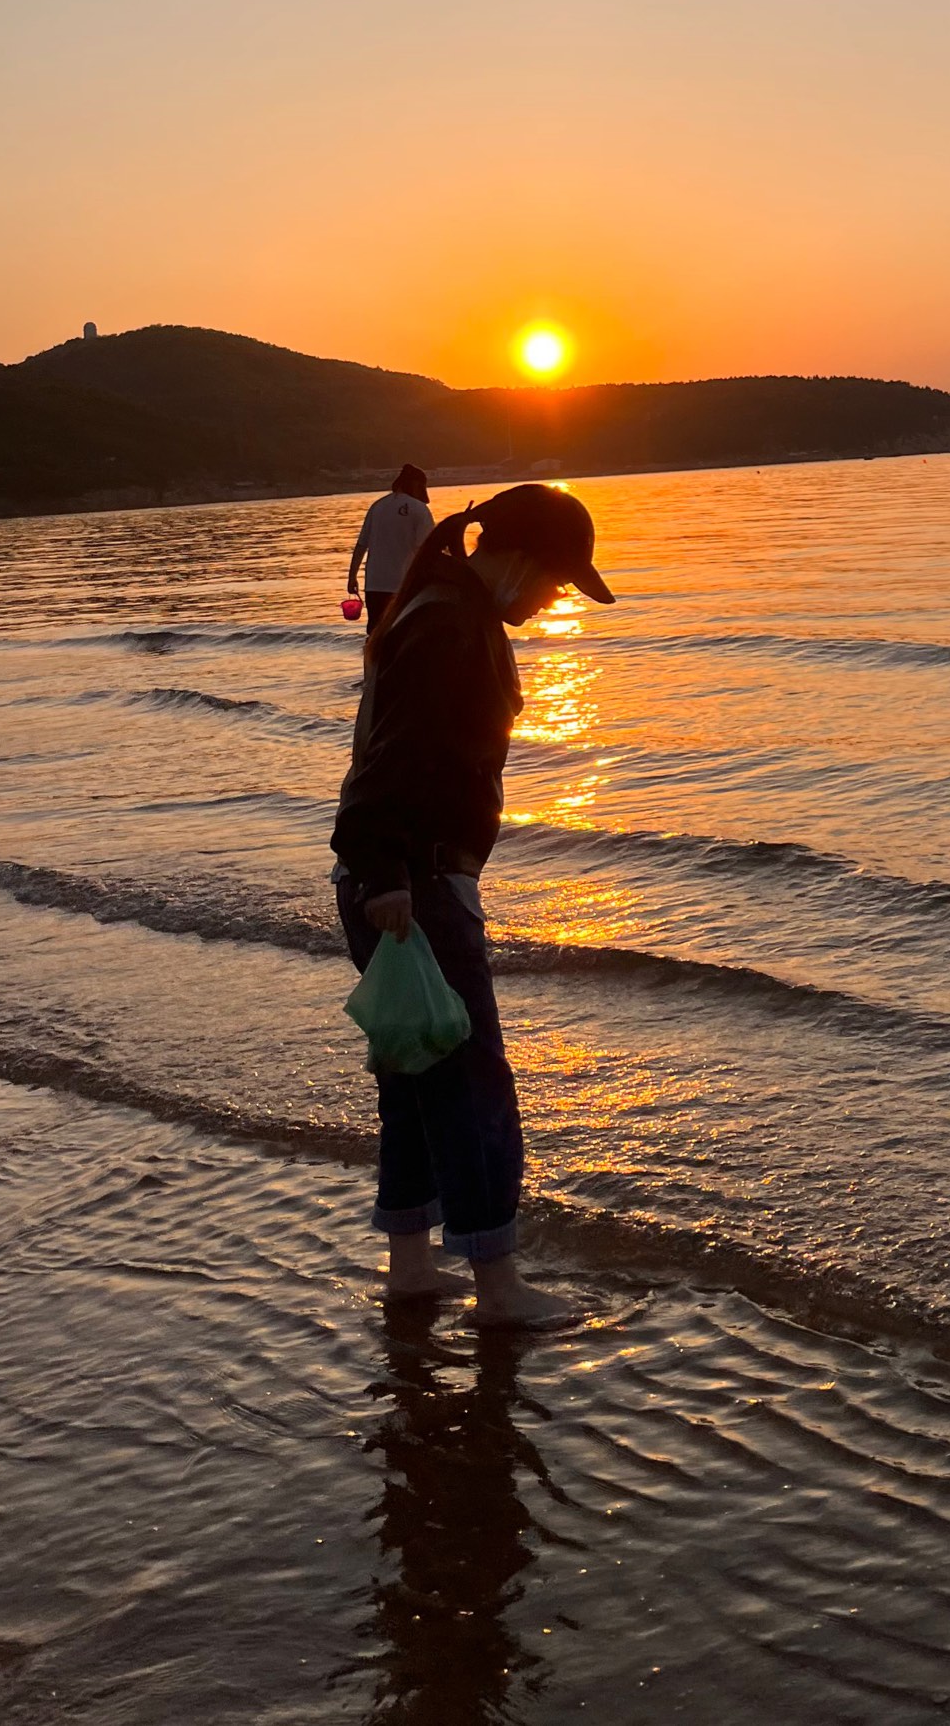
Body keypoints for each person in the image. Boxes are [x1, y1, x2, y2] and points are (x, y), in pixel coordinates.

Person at [331, 482, 616, 1321]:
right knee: (472, 1082)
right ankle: (498, 1288)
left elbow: (387, 752)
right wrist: (388, 876)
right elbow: (393, 759)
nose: (556, 599)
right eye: (559, 581)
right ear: (522, 559)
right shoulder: (454, 624)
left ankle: (413, 1266)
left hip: (389, 877)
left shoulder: (435, 604)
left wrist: (377, 872)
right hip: (410, 883)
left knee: (415, 1073)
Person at [346, 465, 434, 630]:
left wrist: (352, 577)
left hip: (374, 584)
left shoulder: (377, 506)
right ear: (418, 485)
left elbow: (361, 546)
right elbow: (427, 549)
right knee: (406, 631)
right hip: (404, 586)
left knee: (376, 633)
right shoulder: (419, 509)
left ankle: (374, 656)